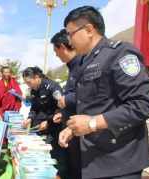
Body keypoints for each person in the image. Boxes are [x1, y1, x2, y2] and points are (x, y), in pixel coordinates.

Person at [59, 6, 149, 179]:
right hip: (95, 159)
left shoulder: (120, 53)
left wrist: (91, 124)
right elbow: (94, 106)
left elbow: (142, 105)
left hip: (120, 162)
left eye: (70, 33)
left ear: (89, 30)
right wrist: (73, 129)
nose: (69, 40)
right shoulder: (85, 61)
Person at [21, 66, 67, 178]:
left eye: (29, 82)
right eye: (26, 83)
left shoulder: (52, 87)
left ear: (36, 77)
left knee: (54, 157)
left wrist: (49, 122)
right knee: (40, 157)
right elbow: (34, 108)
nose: (28, 85)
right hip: (39, 128)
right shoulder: (33, 90)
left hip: (53, 129)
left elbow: (61, 109)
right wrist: (30, 118)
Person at [50, 29, 81, 179]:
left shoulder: (83, 63)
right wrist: (62, 113)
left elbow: (90, 95)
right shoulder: (73, 66)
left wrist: (66, 100)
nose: (56, 55)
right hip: (70, 129)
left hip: (81, 130)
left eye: (56, 51)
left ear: (62, 46)